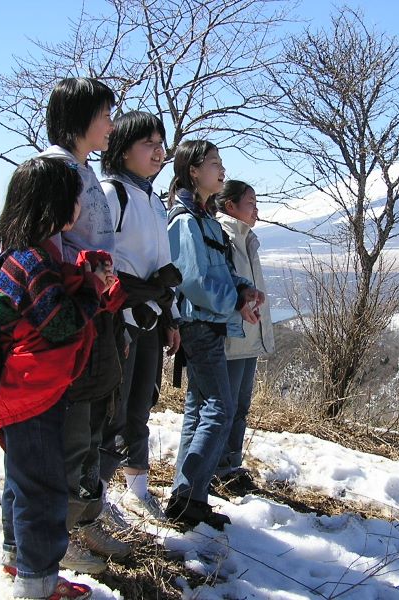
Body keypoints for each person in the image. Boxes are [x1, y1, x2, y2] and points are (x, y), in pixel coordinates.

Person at [0, 156, 112, 600]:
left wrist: (85, 277)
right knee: (43, 491)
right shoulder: (32, 262)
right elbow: (60, 324)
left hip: (24, 390)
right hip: (33, 393)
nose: (80, 206)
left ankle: (16, 556)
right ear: (55, 206)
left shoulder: (29, 256)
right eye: (74, 198)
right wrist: (94, 291)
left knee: (22, 481)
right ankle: (38, 582)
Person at [40, 77, 129, 573]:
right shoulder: (53, 172)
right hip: (69, 316)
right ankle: (58, 532)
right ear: (78, 117)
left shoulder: (84, 170)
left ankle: (83, 516)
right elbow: (41, 250)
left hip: (96, 312)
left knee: (96, 419)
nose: (112, 124)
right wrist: (86, 273)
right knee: (72, 425)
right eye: (104, 114)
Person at [165, 140, 265, 529]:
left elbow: (221, 271)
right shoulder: (185, 221)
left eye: (221, 163)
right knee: (219, 409)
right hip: (199, 325)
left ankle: (185, 496)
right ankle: (189, 498)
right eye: (213, 163)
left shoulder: (207, 219)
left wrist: (243, 289)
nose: (221, 169)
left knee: (200, 410)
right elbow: (194, 281)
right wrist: (234, 301)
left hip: (211, 323)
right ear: (193, 170)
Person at [98, 111, 182, 520]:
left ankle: (137, 489)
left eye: (160, 144)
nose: (158, 151)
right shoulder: (112, 194)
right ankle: (92, 497)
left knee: (140, 404)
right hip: (119, 317)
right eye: (148, 143)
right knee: (111, 407)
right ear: (122, 148)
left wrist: (170, 318)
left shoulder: (152, 199)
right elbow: (101, 261)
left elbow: (161, 263)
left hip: (150, 315)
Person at [214, 181, 275, 490]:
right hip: (230, 336)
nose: (256, 210)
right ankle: (217, 470)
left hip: (247, 336)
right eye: (250, 203)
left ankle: (231, 466)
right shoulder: (223, 238)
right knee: (224, 407)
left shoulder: (246, 239)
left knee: (239, 406)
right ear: (230, 206)